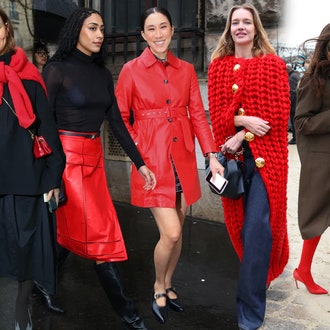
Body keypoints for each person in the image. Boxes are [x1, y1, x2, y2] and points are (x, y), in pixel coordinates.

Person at [42, 8, 156, 330]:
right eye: (93, 28)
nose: (99, 34)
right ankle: (130, 314)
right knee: (102, 236)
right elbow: (43, 123)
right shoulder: (56, 70)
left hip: (94, 160)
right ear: (76, 29)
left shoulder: (103, 74)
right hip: (67, 162)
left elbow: (116, 122)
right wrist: (52, 172)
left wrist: (140, 162)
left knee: (68, 233)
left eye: (102, 29)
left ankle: (42, 283)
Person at [115, 6, 224, 325]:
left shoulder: (187, 70)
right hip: (152, 162)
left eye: (164, 27)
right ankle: (157, 287)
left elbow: (199, 116)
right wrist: (140, 151)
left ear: (172, 30)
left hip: (184, 159)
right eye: (152, 28)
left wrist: (212, 155)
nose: (159, 34)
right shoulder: (130, 70)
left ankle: (168, 283)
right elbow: (120, 119)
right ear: (143, 35)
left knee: (178, 228)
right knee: (173, 233)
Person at [207, 4, 290, 330]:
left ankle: (249, 316)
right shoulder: (217, 68)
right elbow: (217, 117)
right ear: (229, 29)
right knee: (242, 231)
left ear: (256, 28)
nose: (241, 27)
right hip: (235, 166)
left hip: (267, 164)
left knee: (258, 231)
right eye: (235, 22)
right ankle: (258, 279)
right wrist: (241, 121)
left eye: (247, 22)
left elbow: (277, 118)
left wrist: (242, 132)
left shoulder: (273, 66)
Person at [0, 9, 66, 330]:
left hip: (25, 178)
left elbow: (48, 130)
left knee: (24, 252)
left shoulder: (27, 74)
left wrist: (54, 176)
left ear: (6, 30)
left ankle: (20, 310)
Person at [293, 23, 330, 295]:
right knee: (317, 217)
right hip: (323, 160)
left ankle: (303, 270)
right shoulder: (313, 80)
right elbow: (301, 123)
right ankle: (303, 270)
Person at [286, 63, 300, 144]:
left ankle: (295, 138)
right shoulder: (295, 75)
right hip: (297, 104)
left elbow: (292, 93)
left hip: (294, 105)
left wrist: (288, 103)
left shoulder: (291, 78)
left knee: (293, 121)